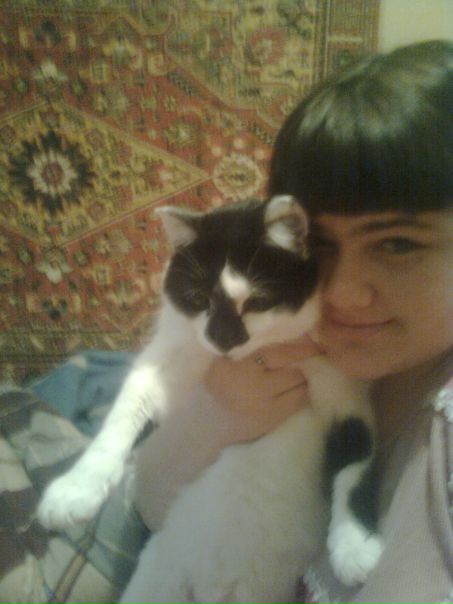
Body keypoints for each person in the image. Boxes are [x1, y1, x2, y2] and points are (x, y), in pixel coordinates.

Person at [133, 39, 453, 603]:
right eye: (317, 244)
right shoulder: (275, 346)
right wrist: (216, 416)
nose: (342, 293)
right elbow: (150, 506)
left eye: (398, 244)